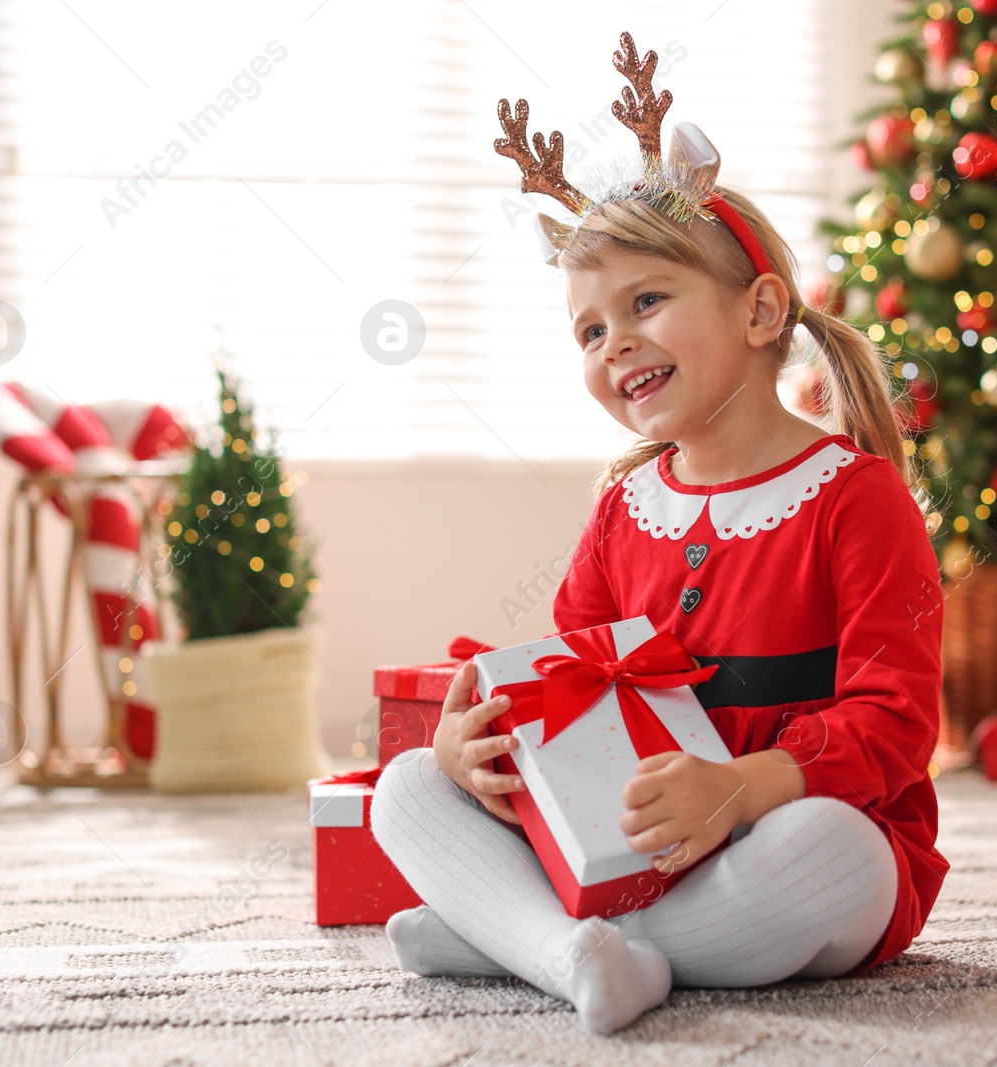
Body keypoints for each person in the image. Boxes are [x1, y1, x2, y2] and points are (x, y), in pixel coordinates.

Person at [370, 32, 947, 1036]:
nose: (615, 343)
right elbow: (561, 691)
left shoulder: (854, 496)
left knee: (836, 853)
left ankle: (521, 943)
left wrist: (742, 785)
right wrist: (484, 754)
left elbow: (895, 721)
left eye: (646, 302)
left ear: (761, 309)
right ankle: (580, 946)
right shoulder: (622, 507)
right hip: (625, 845)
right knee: (407, 788)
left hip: (782, 823)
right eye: (589, 330)